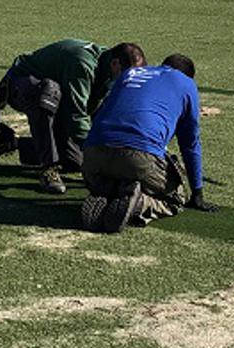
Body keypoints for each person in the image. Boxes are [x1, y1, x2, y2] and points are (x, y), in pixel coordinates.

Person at [79, 54, 216, 233]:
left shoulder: (130, 73)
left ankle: (107, 189)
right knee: (175, 198)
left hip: (92, 157)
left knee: (118, 170)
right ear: (187, 75)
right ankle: (138, 204)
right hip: (138, 157)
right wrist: (197, 193)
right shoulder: (186, 83)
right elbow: (190, 144)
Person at [0, 40, 146, 194]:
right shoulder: (83, 64)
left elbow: (99, 111)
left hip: (58, 99)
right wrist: (98, 151)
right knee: (49, 92)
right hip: (21, 85)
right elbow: (75, 114)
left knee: (74, 160)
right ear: (116, 64)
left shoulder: (109, 66)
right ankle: (48, 168)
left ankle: (10, 142)